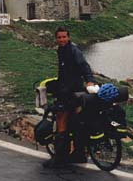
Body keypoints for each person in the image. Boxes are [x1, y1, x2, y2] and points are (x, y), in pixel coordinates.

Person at [43, 26, 97, 169]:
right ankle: (79, 154)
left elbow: (83, 65)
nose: (62, 40)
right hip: (70, 89)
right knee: (75, 121)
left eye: (64, 37)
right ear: (56, 38)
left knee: (61, 118)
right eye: (59, 37)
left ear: (69, 37)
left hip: (71, 91)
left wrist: (90, 80)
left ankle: (60, 157)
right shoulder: (62, 50)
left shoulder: (73, 50)